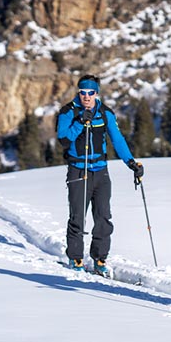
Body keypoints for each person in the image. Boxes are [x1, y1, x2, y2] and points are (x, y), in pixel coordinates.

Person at [56, 74, 144, 276]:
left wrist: (131, 162)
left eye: (90, 92)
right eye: (82, 92)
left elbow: (118, 139)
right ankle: (76, 257)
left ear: (97, 93)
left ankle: (100, 258)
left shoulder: (105, 113)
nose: (86, 96)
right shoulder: (68, 112)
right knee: (78, 216)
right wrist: (80, 122)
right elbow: (64, 140)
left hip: (101, 171)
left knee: (103, 217)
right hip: (79, 170)